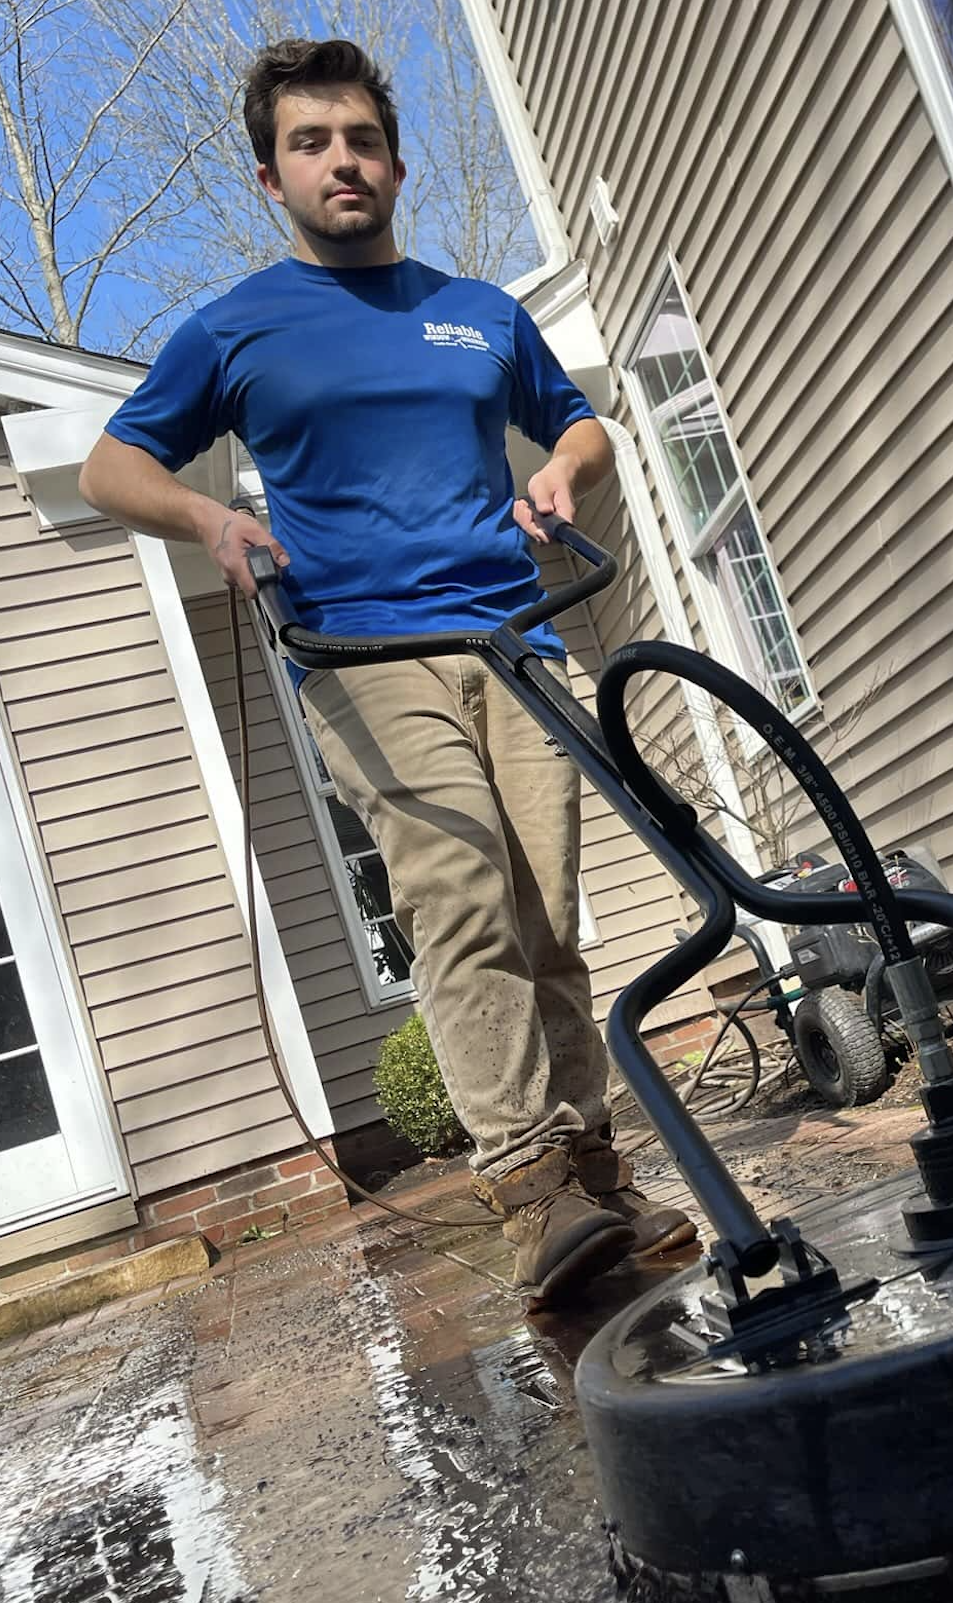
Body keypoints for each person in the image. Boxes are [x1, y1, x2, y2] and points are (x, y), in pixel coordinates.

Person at [79, 37, 696, 1305]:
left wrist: (563, 470)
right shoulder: (235, 326)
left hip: (510, 639)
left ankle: (594, 1175)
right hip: (362, 654)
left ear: (395, 163)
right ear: (272, 177)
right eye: (312, 144)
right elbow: (107, 467)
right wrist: (210, 520)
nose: (341, 162)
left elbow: (581, 419)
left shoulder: (478, 308)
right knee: (457, 891)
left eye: (359, 140)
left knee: (545, 918)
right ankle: (528, 1186)